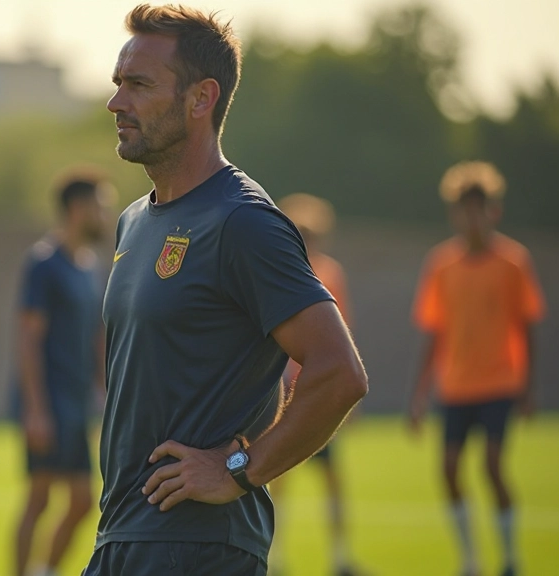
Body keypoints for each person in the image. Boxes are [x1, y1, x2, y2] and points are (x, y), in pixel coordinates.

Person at [85, 5, 368, 575]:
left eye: (139, 85)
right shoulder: (135, 221)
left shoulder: (243, 221)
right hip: (123, 536)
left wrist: (238, 468)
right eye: (119, 84)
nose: (117, 102)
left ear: (201, 98)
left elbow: (339, 372)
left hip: (197, 547)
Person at [409, 161, 544, 576]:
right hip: (456, 386)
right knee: (448, 470)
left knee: (491, 465)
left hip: (500, 381)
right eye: (463, 209)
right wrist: (420, 394)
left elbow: (526, 326)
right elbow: (434, 333)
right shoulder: (441, 265)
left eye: (478, 208)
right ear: (454, 214)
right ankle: (469, 559)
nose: (471, 217)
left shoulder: (513, 262)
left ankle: (509, 558)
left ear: (493, 211)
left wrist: (527, 387)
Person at [13, 173, 111, 576]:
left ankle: (46, 570)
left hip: (75, 403)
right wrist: (35, 410)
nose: (106, 215)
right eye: (101, 206)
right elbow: (28, 339)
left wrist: (106, 388)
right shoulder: (43, 264)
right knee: (39, 499)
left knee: (83, 503)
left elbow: (96, 338)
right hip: (48, 402)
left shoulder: (88, 266)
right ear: (78, 209)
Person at [270, 193, 358, 576]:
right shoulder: (279, 270)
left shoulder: (331, 273)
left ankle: (340, 557)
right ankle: (273, 557)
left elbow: (343, 337)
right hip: (285, 387)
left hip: (317, 388)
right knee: (274, 473)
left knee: (332, 477)